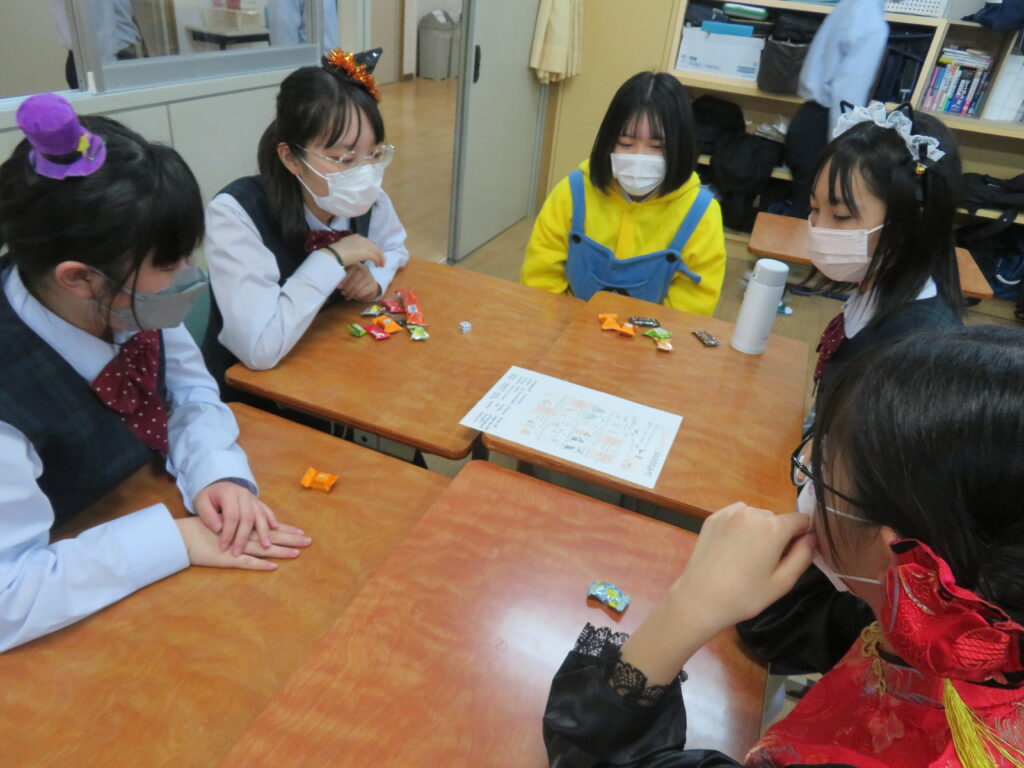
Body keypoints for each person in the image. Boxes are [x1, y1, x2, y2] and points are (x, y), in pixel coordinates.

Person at [543, 325, 1024, 766]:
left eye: (822, 475)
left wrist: (687, 606)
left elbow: (589, 755)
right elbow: (776, 633)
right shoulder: (959, 608)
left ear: (898, 554)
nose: (806, 477)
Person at [0, 94, 310, 652]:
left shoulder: (123, 298)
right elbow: (9, 599)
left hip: (125, 504)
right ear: (80, 278)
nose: (189, 277)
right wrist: (174, 541)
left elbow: (188, 391)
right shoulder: (10, 402)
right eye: (170, 265)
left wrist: (214, 471)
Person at [202, 49, 407, 392]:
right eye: (343, 159)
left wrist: (374, 280)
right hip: (254, 395)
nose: (364, 173)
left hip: (334, 368)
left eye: (373, 155)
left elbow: (395, 248)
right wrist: (332, 258)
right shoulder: (236, 214)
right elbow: (259, 350)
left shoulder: (368, 198)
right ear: (291, 158)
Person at [522, 71, 726, 315]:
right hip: (567, 325)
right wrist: (567, 327)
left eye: (657, 147)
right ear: (608, 141)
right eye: (626, 144)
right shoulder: (572, 192)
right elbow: (541, 278)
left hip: (651, 334)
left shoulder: (701, 213)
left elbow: (691, 307)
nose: (639, 156)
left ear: (681, 147)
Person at [806, 102, 963, 402]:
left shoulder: (916, 350)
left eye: (840, 216)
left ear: (911, 221)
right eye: (814, 208)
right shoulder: (876, 285)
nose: (818, 228)